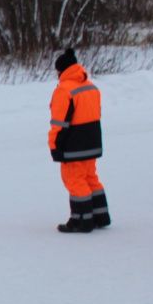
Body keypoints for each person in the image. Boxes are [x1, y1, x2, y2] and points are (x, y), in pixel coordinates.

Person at [48, 48, 109, 233]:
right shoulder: (91, 87)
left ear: (62, 70)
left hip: (73, 146)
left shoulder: (64, 90)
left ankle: (81, 220)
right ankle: (100, 216)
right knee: (91, 178)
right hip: (92, 143)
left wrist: (54, 145)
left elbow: (59, 123)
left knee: (74, 180)